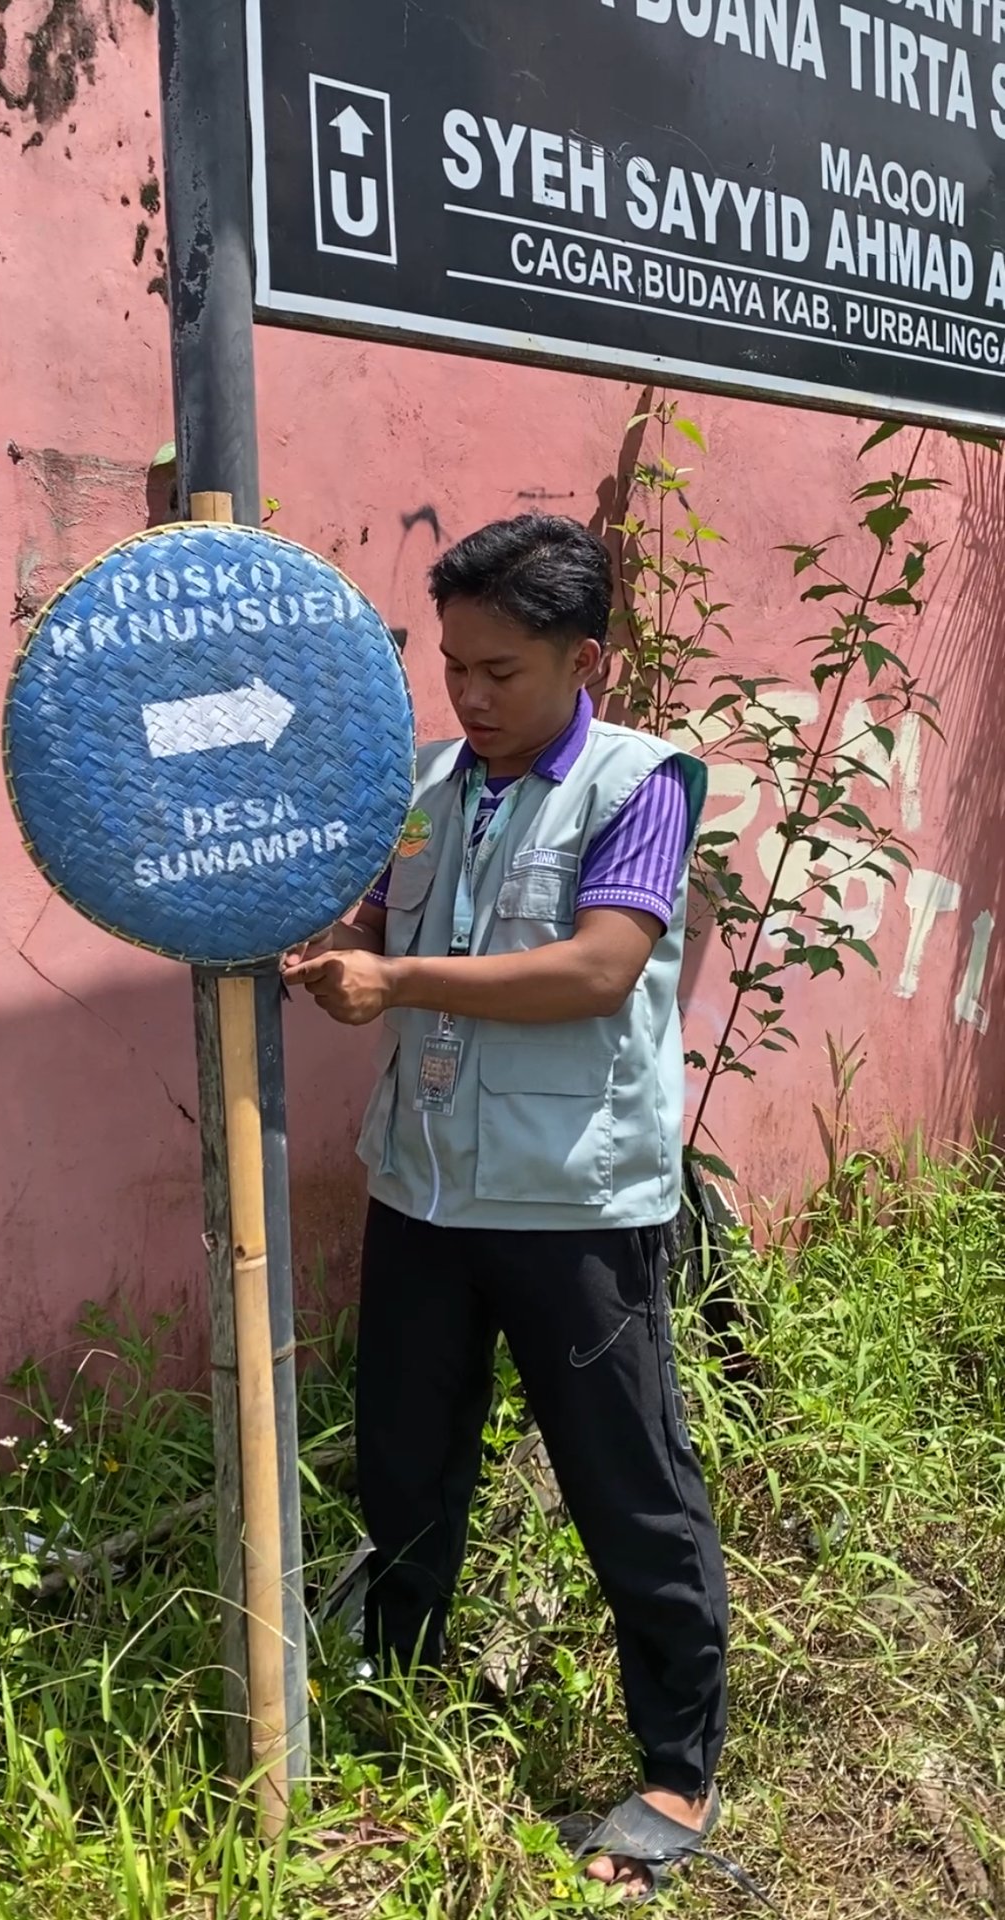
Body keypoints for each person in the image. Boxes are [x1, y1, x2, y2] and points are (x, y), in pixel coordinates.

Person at [282, 514, 730, 1901]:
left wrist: (400, 984)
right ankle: (404, 1705)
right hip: (424, 1186)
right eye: (453, 667)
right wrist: (347, 944)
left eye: (503, 673)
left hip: (573, 1204)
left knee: (627, 1484)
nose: (469, 697)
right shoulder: (428, 784)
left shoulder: (637, 783)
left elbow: (601, 968)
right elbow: (384, 917)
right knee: (409, 1464)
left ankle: (675, 1768)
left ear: (584, 659)